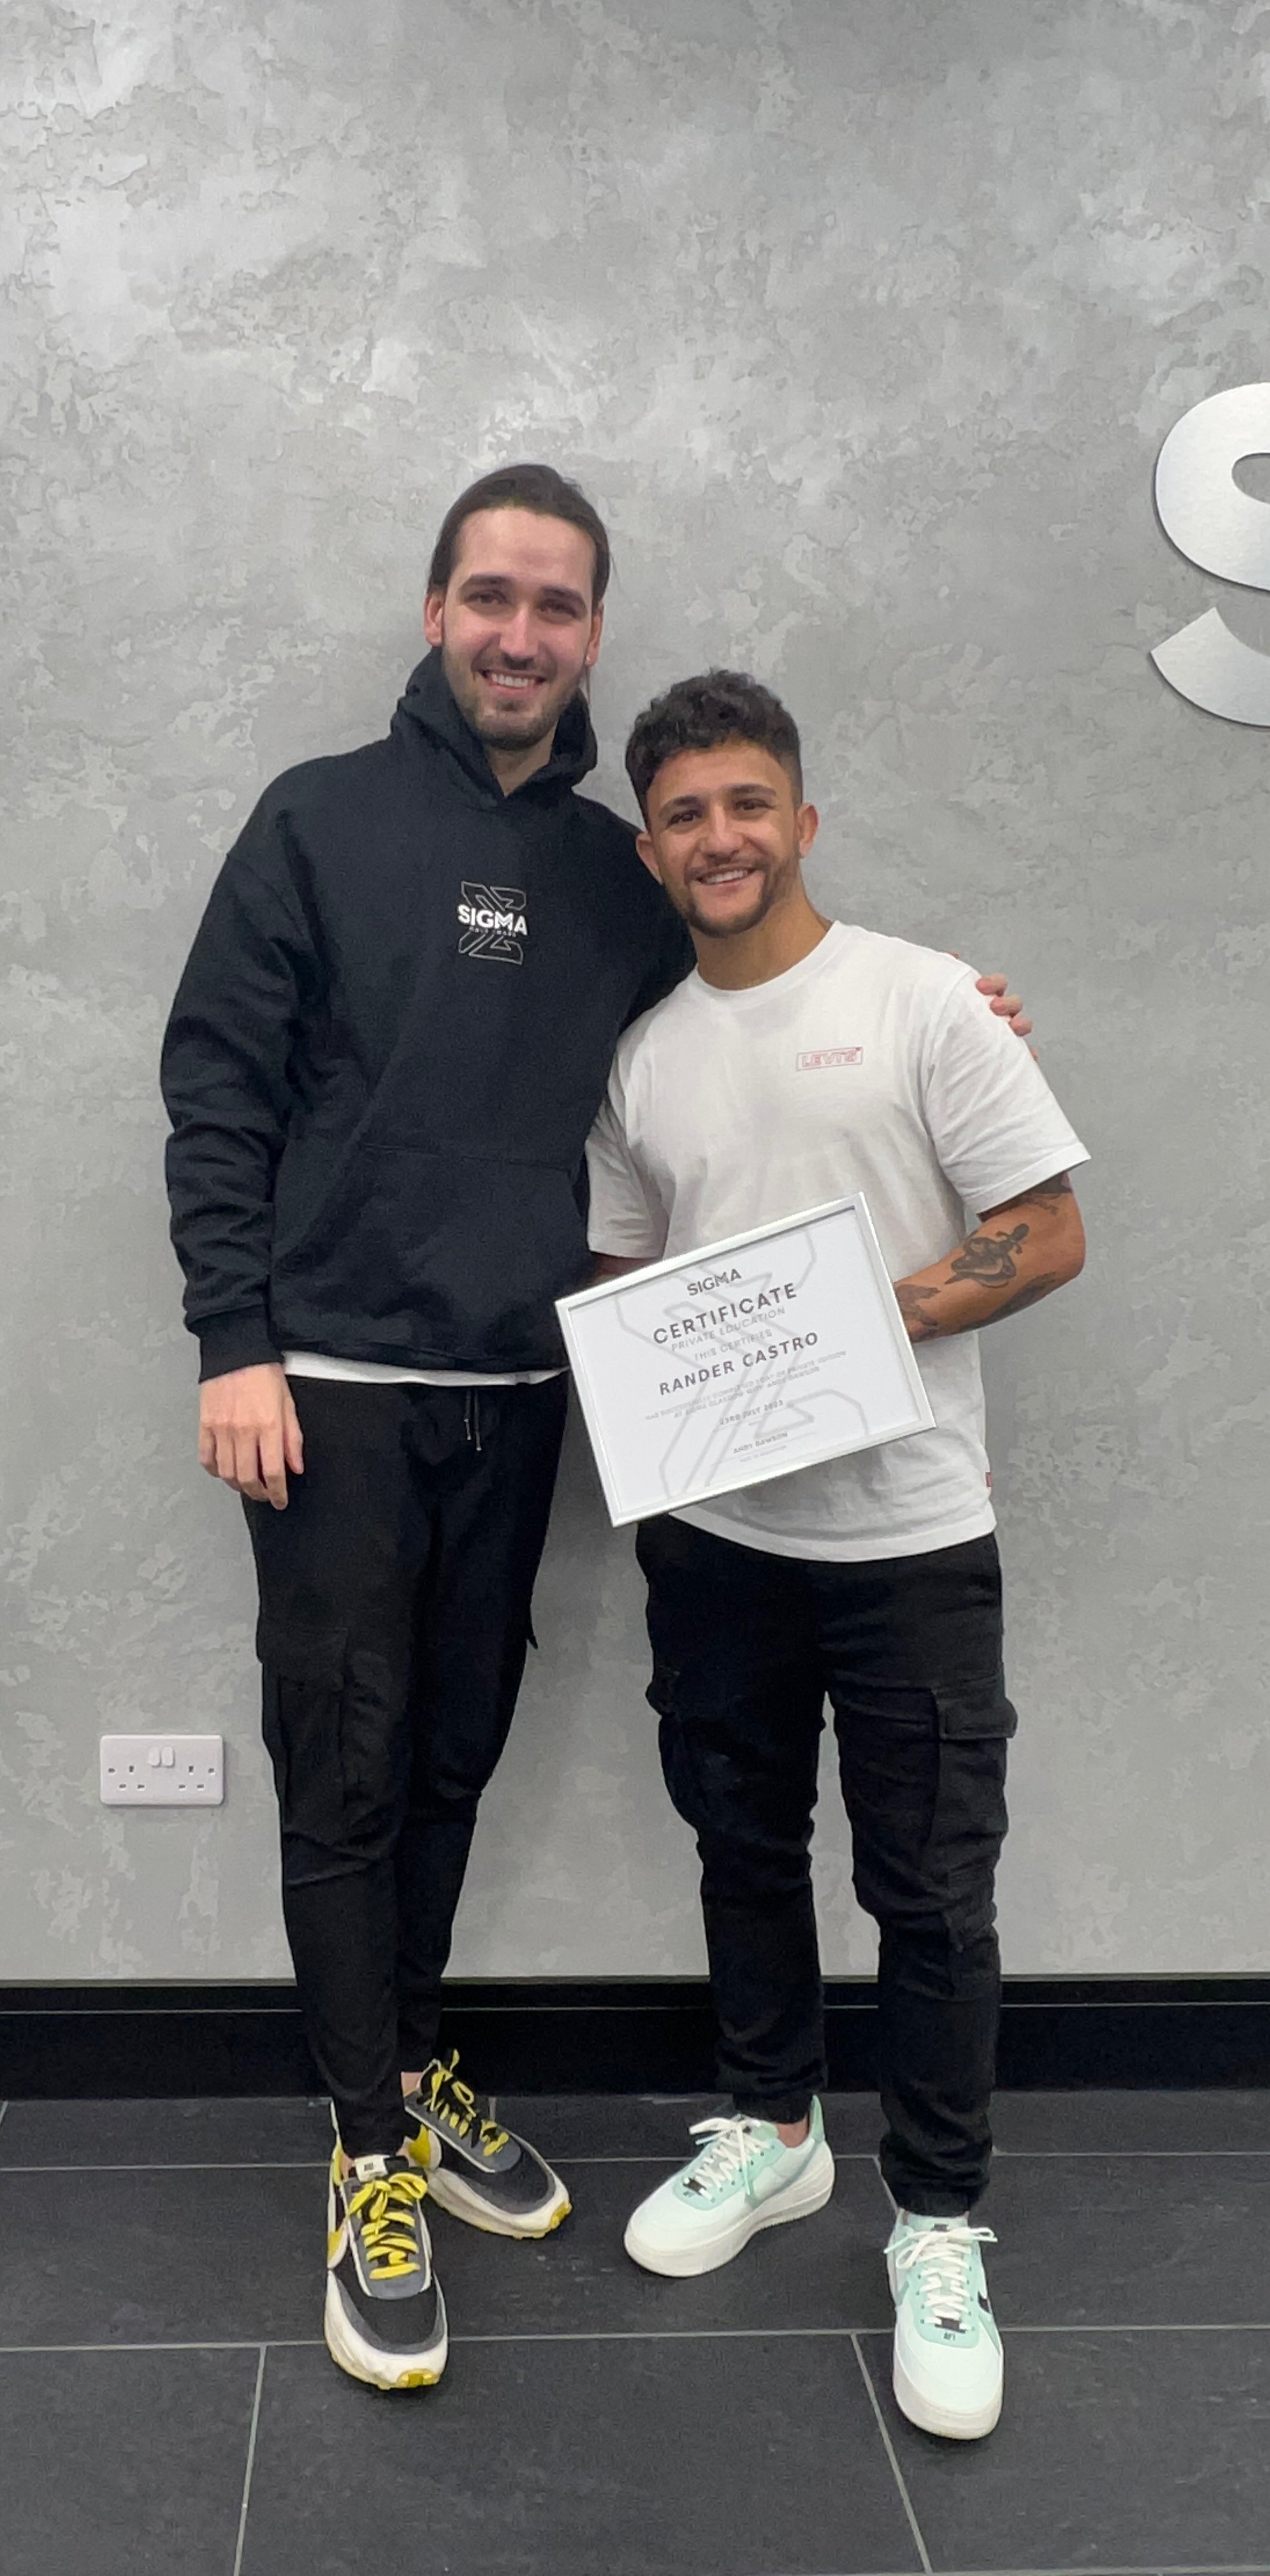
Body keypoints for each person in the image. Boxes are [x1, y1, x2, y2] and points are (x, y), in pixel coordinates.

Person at [161, 470, 1036, 2395]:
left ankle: (402, 2057)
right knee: (349, 1773)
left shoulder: (612, 874)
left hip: (527, 1405)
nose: (518, 632)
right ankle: (367, 2156)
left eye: (556, 606)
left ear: (588, 636)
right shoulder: (313, 819)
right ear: (433, 612)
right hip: (324, 1400)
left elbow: (752, 1001)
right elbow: (215, 1085)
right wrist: (235, 1336)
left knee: (455, 1757)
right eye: (489, 595)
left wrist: (956, 1014)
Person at [585, 669, 1087, 2443]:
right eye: (682, 815)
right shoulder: (643, 1059)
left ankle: (938, 2228)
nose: (717, 838)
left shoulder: (926, 1000)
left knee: (930, 1895)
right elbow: (634, 1283)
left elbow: (1045, 1233)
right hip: (718, 1542)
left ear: (801, 818)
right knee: (738, 1840)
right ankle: (773, 2130)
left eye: (746, 803)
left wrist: (859, 1327)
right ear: (647, 848)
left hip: (908, 1541)